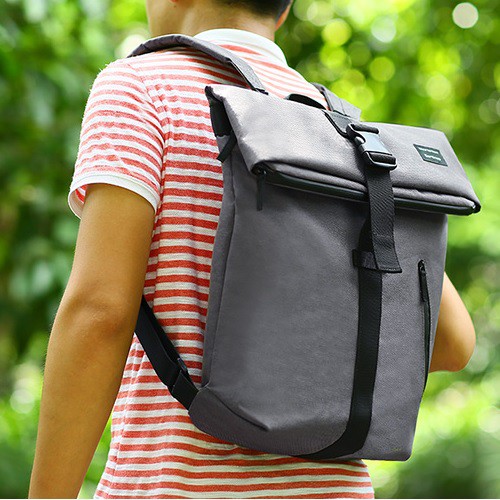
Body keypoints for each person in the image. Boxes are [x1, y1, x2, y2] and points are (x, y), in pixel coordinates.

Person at [28, 0, 477, 498]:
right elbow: (452, 342)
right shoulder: (343, 134)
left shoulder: (141, 88)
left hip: (180, 486)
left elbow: (100, 312)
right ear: (283, 11)